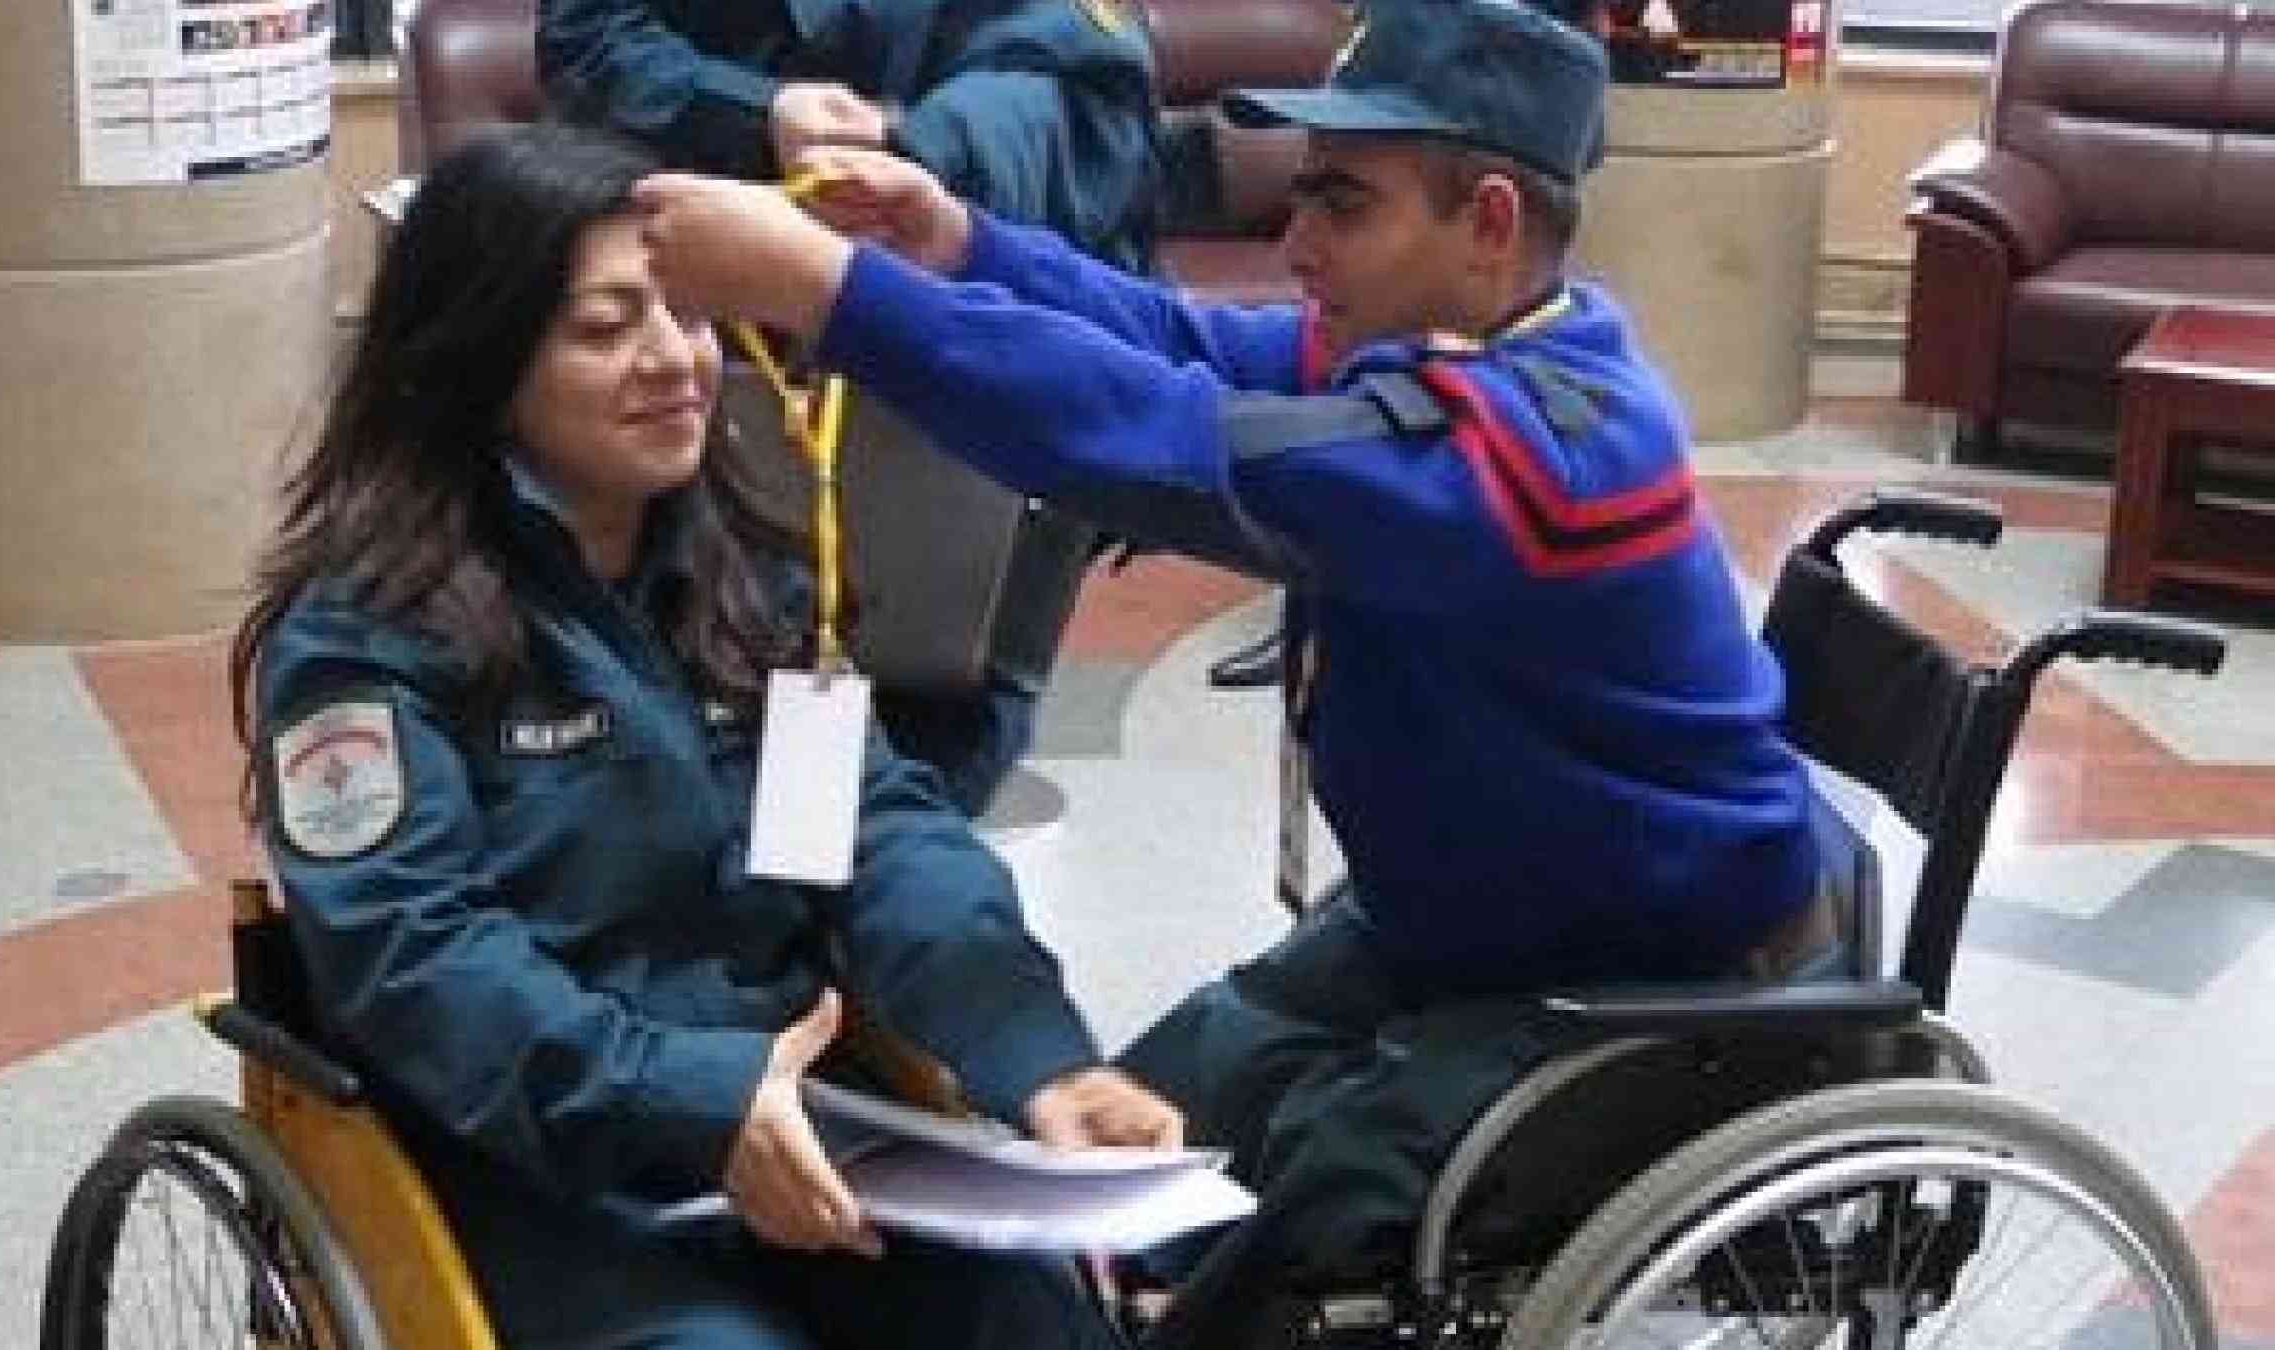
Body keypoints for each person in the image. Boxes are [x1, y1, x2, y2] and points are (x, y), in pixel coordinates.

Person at [625, 0, 1858, 1338]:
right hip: (1475, 909)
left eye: (1343, 203)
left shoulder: (1535, 459)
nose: (1296, 241)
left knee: (1309, 1216)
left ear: (1490, 221)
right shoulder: (1449, 346)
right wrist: (957, 243)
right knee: (1139, 1125)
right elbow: (1183, 345)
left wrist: (834, 293)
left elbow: (1168, 439)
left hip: (1639, 966)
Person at [230, 122, 1180, 1350]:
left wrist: (1039, 1060)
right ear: (479, 360)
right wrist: (695, 1100)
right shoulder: (364, 639)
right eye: (605, 327)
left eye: (686, 312)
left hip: (793, 1118)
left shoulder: (740, 583)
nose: (676, 359)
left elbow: (874, 836)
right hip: (529, 1166)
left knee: (1031, 1318)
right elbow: (420, 961)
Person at [535, 0, 1166, 810]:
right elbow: (586, 41)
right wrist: (761, 113)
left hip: (961, 354)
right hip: (698, 346)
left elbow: (1084, 67)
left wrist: (913, 146)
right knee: (677, 729)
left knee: (936, 761)